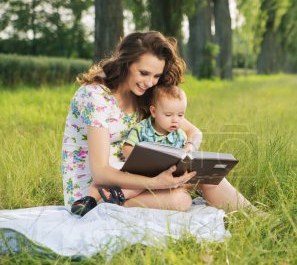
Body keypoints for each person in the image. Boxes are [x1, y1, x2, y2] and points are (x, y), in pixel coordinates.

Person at [61, 31, 254, 217]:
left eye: (156, 76)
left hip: (137, 179)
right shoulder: (95, 96)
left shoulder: (143, 96)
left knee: (209, 176)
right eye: (144, 73)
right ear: (125, 63)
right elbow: (101, 173)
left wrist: (188, 149)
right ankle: (111, 206)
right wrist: (156, 183)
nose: (149, 82)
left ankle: (258, 217)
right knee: (180, 200)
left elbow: (194, 132)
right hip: (94, 192)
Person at [71, 84, 190, 216]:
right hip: (140, 168)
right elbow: (127, 148)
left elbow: (181, 157)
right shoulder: (142, 128)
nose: (175, 120)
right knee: (109, 176)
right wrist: (144, 160)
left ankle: (117, 196)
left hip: (162, 174)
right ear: (154, 112)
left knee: (143, 187)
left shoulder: (180, 136)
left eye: (181, 115)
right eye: (168, 115)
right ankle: (89, 200)